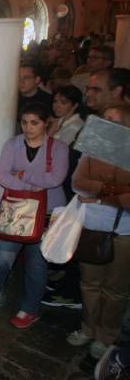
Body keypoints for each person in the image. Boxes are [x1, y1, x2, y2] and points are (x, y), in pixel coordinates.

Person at [0, 103, 69, 328]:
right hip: (17, 209)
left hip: (48, 212)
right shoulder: (13, 143)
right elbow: (1, 175)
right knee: (2, 256)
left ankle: (29, 308)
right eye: (24, 122)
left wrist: (20, 175)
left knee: (37, 264)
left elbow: (56, 179)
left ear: (45, 123)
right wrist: (31, 181)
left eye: (34, 122)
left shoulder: (58, 147)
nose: (28, 127)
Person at [66, 104, 130, 360]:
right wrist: (117, 190)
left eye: (114, 119)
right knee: (89, 283)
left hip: (123, 231)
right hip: (92, 226)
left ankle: (107, 335)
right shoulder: (93, 147)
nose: (107, 123)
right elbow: (78, 183)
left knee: (115, 289)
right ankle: (88, 328)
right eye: (105, 118)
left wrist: (100, 196)